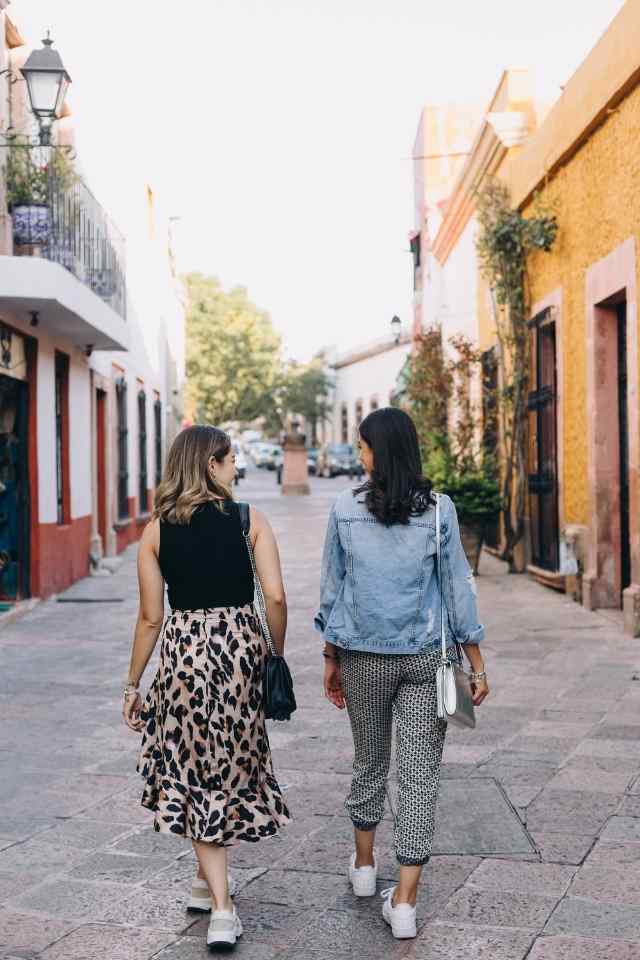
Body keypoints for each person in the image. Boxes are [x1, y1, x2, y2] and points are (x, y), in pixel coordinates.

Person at [315, 407, 488, 941]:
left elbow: (333, 588)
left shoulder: (344, 508)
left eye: (363, 447)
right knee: (419, 775)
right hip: (427, 656)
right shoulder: (439, 511)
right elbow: (458, 585)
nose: (360, 456)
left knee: (370, 758)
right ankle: (406, 900)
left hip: (362, 654)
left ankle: (365, 869)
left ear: (380, 451)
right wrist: (476, 661)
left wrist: (330, 656)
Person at [123, 425, 291, 951]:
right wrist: (273, 652)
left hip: (185, 656)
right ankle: (222, 908)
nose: (236, 467)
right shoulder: (249, 521)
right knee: (229, 760)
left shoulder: (154, 532)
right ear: (211, 465)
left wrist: (133, 684)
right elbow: (277, 597)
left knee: (194, 765)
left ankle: (206, 885)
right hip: (240, 650)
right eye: (231, 460)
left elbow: (151, 618)